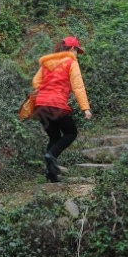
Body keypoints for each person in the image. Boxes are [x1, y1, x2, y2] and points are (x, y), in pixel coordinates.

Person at [31, 36, 92, 183]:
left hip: (40, 106)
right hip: (56, 104)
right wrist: (85, 108)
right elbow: (78, 87)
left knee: (54, 137)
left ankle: (50, 173)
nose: (77, 53)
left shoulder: (47, 62)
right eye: (77, 50)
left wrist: (47, 86)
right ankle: (50, 156)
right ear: (72, 49)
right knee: (71, 133)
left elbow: (35, 82)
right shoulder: (71, 62)